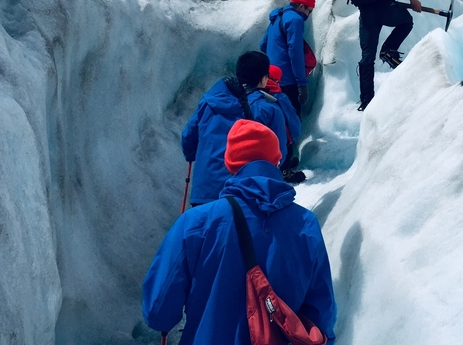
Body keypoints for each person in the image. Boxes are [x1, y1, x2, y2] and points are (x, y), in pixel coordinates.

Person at [144, 120, 337, 345]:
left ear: (230, 164)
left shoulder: (196, 223)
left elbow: (158, 310)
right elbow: (321, 312)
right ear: (276, 160)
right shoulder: (307, 225)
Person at [181, 51, 288, 206]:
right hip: (247, 193)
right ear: (264, 79)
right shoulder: (268, 109)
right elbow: (279, 155)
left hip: (205, 191)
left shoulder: (209, 102)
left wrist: (192, 154)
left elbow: (188, 138)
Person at [354, 0, 421, 111]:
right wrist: (414, 1)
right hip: (386, 8)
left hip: (366, 12)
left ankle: (366, 101)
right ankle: (388, 51)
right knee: (406, 22)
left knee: (367, 57)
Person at [260, 0, 315, 115]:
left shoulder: (277, 17)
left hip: (271, 77)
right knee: (291, 120)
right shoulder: (295, 19)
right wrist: (301, 84)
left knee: (276, 118)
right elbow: (295, 53)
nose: (308, 14)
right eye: (309, 10)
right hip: (288, 80)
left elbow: (263, 45)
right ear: (301, 6)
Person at [263, 65, 306, 184]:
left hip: (266, 136)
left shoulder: (258, 95)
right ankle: (286, 172)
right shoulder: (280, 97)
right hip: (283, 133)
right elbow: (291, 117)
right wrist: (295, 133)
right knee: (285, 149)